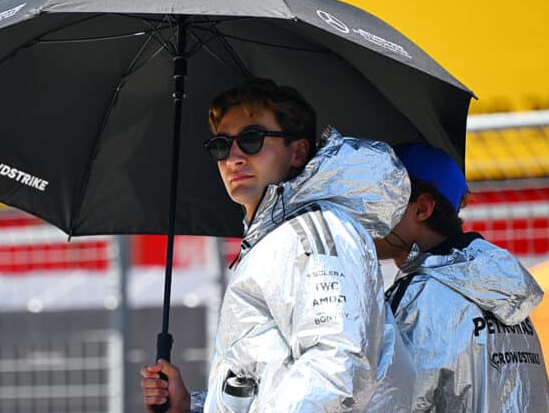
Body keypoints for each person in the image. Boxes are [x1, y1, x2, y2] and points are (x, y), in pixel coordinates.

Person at [141, 78, 415, 412]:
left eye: (251, 139)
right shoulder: (272, 240)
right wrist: (190, 406)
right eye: (221, 145)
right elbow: (262, 385)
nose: (234, 157)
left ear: (297, 152)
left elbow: (336, 369)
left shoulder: (314, 232)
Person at [375, 142, 549, 412]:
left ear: (422, 208)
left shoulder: (418, 296)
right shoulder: (503, 285)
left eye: (380, 199)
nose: (365, 214)